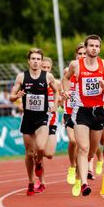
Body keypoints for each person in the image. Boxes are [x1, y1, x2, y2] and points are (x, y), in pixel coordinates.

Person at [62, 34, 104, 197]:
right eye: (91, 45)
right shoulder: (75, 65)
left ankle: (80, 174)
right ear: (85, 48)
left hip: (99, 111)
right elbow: (66, 78)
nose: (94, 48)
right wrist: (66, 92)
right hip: (81, 112)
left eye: (97, 46)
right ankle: (83, 182)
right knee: (83, 148)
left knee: (92, 151)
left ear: (99, 49)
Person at [9, 48, 58, 196]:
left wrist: (55, 105)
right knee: (30, 153)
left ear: (41, 61)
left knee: (41, 148)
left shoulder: (48, 77)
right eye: (33, 59)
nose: (36, 62)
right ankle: (31, 181)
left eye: (38, 59)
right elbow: (11, 97)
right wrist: (16, 96)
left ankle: (39, 163)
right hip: (28, 118)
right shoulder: (21, 77)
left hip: (42, 117)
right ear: (29, 61)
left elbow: (56, 91)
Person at [61, 42, 86, 195]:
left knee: (84, 149)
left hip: (84, 111)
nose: (82, 56)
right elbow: (64, 81)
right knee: (73, 141)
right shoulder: (69, 69)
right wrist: (65, 92)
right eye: (80, 54)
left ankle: (78, 180)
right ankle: (71, 166)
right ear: (75, 56)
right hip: (70, 110)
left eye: (84, 53)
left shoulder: (91, 71)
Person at [34, 57, 60, 193]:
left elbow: (61, 99)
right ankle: (41, 180)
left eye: (48, 68)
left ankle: (38, 159)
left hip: (51, 123)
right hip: (37, 123)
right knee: (38, 149)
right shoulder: (32, 83)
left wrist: (60, 102)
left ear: (51, 69)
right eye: (43, 67)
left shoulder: (56, 84)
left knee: (49, 153)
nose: (45, 70)